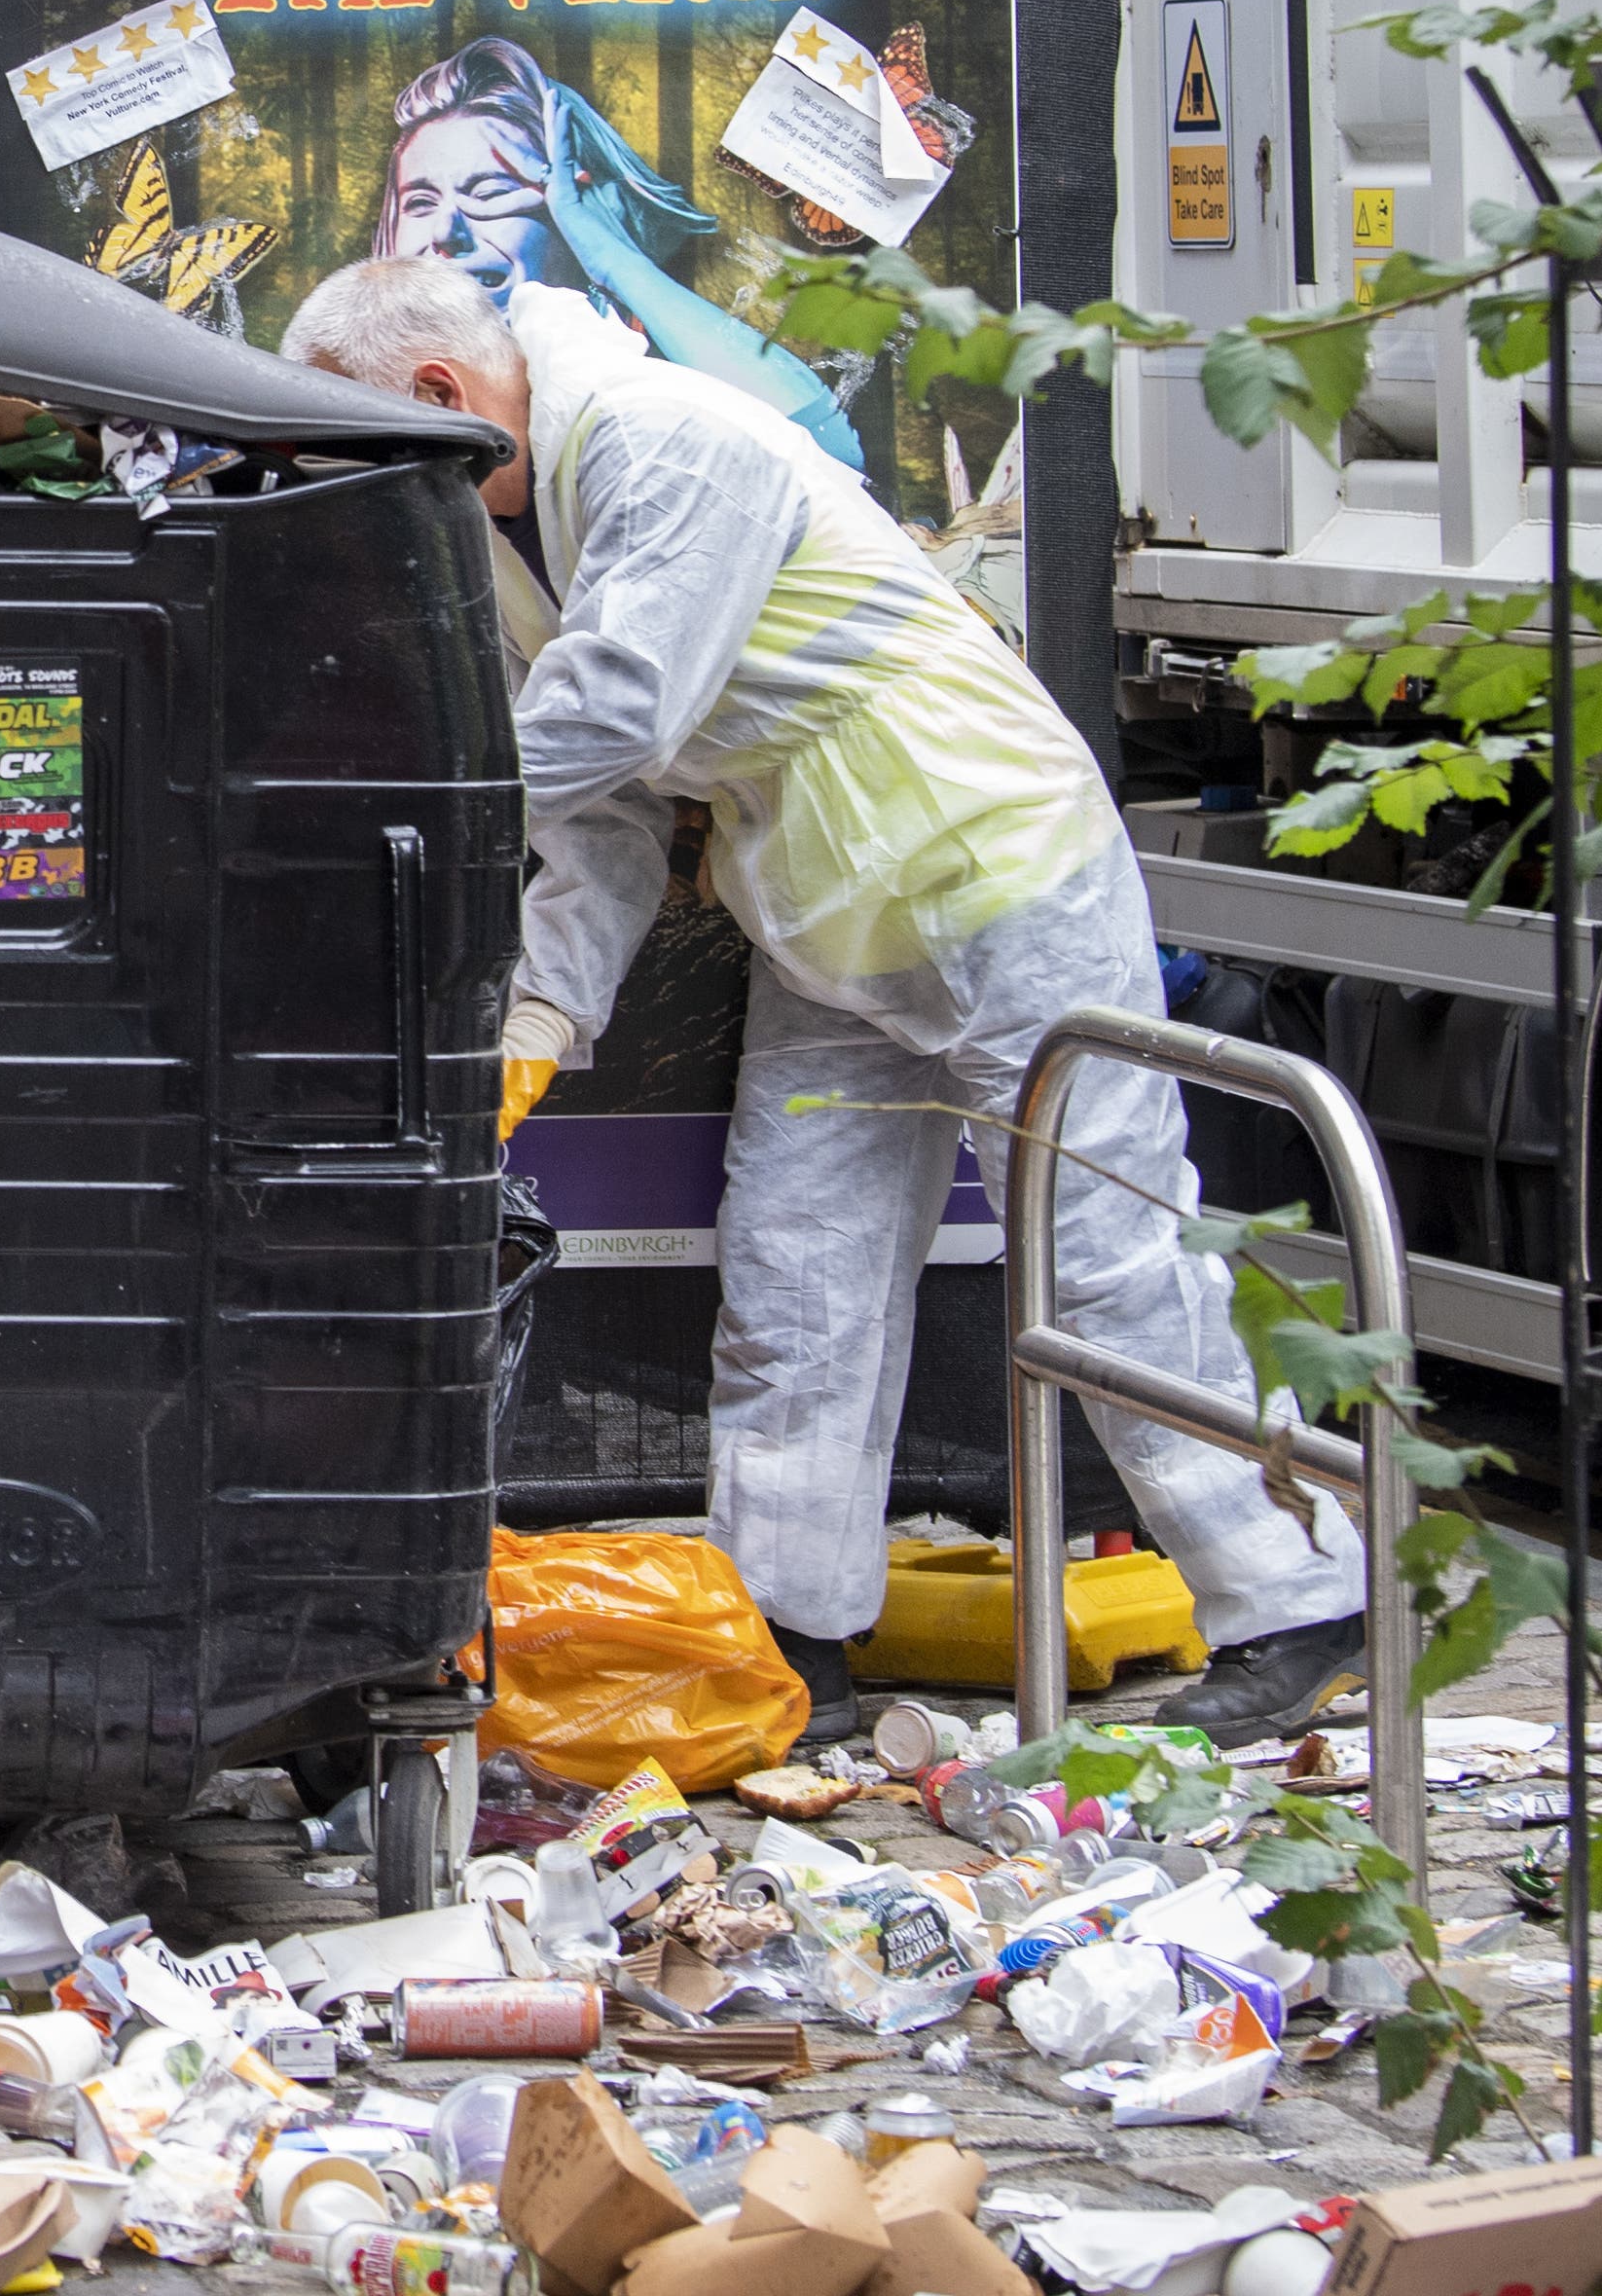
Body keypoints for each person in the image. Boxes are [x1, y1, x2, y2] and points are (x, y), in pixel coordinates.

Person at [279, 257, 1371, 1746]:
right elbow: (601, 813)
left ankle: (1298, 1600)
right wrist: (540, 1020)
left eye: (366, 456)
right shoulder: (501, 521)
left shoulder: (670, 439)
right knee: (800, 1274)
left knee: (1108, 1252)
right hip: (825, 914)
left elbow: (623, 705)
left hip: (991, 866)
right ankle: (794, 1632)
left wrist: (399, 816)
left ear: (436, 397)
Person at [376, 37, 863, 470]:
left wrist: (612, 256)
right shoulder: (367, 394)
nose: (445, 230)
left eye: (487, 193)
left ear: (576, 219)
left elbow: (825, 453)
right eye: (420, 202)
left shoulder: (645, 403)